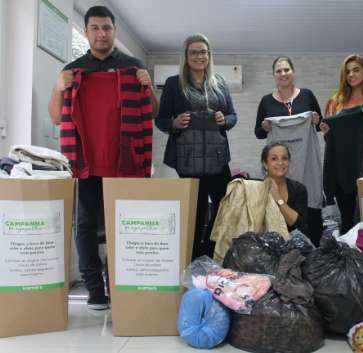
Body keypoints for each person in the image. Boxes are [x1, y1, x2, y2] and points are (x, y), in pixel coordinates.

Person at [47, 6, 158, 311]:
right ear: (86, 32)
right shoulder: (73, 70)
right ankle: (95, 290)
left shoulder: (133, 66)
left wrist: (147, 87)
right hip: (85, 162)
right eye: (95, 28)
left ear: (114, 31)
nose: (101, 34)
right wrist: (59, 88)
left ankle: (122, 287)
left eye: (106, 28)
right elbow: (56, 116)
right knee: (84, 225)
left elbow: (154, 113)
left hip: (126, 162)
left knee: (124, 226)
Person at [155, 33, 237, 260]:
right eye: (194, 52)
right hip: (188, 156)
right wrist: (174, 123)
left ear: (209, 55)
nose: (200, 56)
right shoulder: (174, 83)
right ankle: (193, 259)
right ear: (186, 56)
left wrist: (225, 120)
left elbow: (233, 116)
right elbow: (160, 120)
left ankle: (209, 251)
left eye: (203, 52)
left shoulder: (219, 82)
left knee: (225, 206)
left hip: (217, 155)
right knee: (196, 210)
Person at [254, 56, 323, 245]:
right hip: (280, 168)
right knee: (281, 209)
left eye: (286, 70)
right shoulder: (266, 101)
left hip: (306, 161)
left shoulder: (307, 95)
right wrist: (264, 126)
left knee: (310, 207)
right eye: (278, 71)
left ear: (293, 72)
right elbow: (258, 133)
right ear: (273, 75)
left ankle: (313, 252)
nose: (283, 74)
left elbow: (321, 126)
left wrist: (317, 121)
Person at [320, 54, 363, 235]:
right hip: (342, 170)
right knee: (347, 220)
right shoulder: (335, 103)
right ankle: (349, 259)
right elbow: (330, 139)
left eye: (356, 70)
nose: (351, 75)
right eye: (347, 72)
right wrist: (326, 132)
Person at [261, 143, 308, 234]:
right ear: (265, 164)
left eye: (284, 158)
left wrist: (277, 197)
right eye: (274, 159)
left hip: (294, 245)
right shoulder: (256, 190)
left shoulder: (299, 189)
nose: (280, 163)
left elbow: (300, 227)